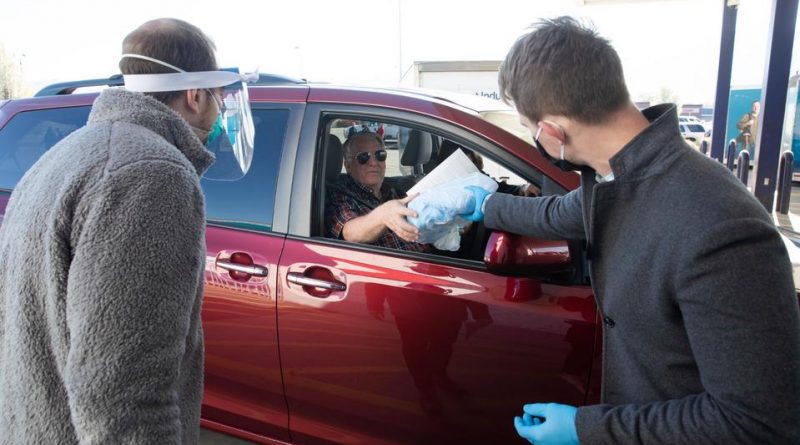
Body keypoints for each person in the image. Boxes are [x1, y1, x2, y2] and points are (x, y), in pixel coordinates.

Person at [450, 17, 799, 444]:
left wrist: (585, 430)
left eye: (526, 128)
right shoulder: (618, 178)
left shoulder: (721, 227)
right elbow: (560, 213)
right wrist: (483, 205)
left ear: (551, 132)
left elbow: (754, 422)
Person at [0, 18, 256, 443]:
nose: (218, 113)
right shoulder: (153, 174)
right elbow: (123, 389)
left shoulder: (63, 156)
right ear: (194, 95)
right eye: (217, 96)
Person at [326, 131, 428, 252]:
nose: (374, 163)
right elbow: (350, 233)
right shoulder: (340, 195)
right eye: (363, 157)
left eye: (380, 155)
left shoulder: (395, 191)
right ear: (348, 166)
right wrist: (384, 215)